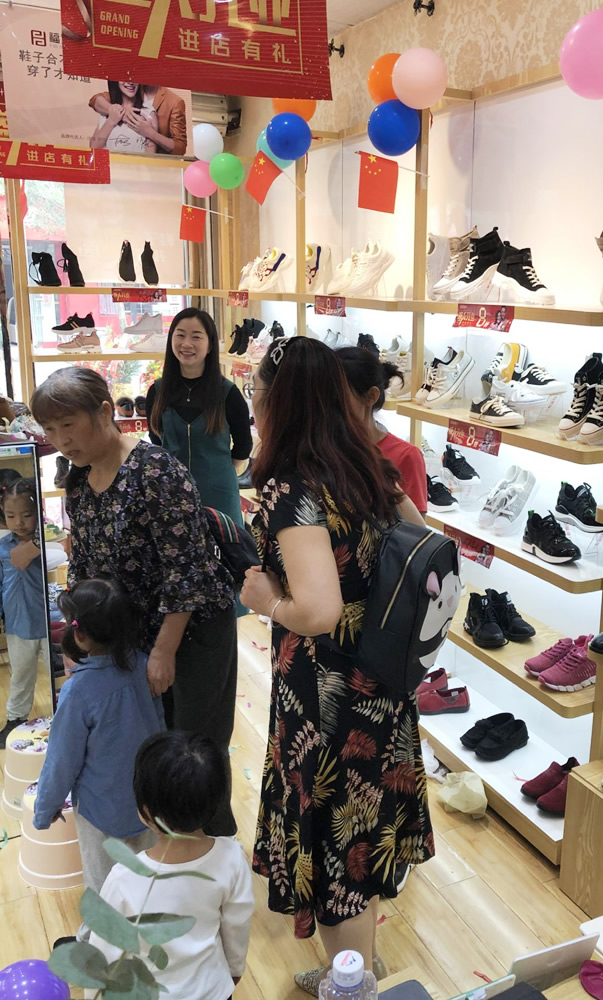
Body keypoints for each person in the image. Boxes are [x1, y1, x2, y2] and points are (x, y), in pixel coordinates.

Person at [241, 338, 432, 996]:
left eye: (259, 394)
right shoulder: (368, 469)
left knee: (335, 852)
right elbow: (425, 542)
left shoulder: (292, 488)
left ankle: (352, 983)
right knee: (361, 839)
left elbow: (317, 611)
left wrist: (266, 599)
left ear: (278, 402)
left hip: (326, 698)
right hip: (380, 683)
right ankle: (354, 969)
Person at [30, 367, 238, 837]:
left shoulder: (156, 471)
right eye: (50, 429)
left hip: (192, 630)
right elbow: (84, 566)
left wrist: (164, 651)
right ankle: (167, 842)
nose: (61, 440)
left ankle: (213, 844)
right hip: (133, 632)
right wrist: (78, 640)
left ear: (105, 413)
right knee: (150, 741)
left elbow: (186, 573)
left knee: (194, 746)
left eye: (68, 425)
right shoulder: (80, 479)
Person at [91, 731, 254, 1000]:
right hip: (214, 991)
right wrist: (233, 971)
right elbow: (238, 925)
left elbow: (104, 955)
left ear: (146, 811)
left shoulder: (124, 878)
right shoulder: (232, 857)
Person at [32, 577, 164, 891]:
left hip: (100, 814)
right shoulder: (144, 666)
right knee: (147, 885)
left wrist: (44, 809)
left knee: (105, 889)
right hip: (149, 804)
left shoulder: (78, 692)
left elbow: (61, 761)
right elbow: (159, 729)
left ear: (79, 634)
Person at [146, 308, 252, 525]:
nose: (186, 344)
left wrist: (217, 471)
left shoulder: (228, 393)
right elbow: (156, 440)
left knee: (224, 545)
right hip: (171, 494)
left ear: (210, 344)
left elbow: (243, 447)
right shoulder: (157, 392)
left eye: (196, 337)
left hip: (220, 496)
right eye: (180, 335)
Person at [336, 346, 427, 514]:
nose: (326, 404)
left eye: (338, 396)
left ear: (371, 396)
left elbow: (415, 528)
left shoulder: (406, 456)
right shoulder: (323, 446)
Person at [0, 479, 49, 747]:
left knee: (57, 672)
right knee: (20, 674)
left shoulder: (47, 542)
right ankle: (15, 719)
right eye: (11, 516)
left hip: (48, 623)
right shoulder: (2, 547)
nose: (19, 523)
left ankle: (65, 715)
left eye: (26, 515)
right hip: (18, 624)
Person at [88, 85, 187, 155]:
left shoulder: (172, 103)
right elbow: (94, 100)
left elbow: (180, 147)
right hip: (111, 170)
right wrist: (119, 114)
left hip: (145, 169)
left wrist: (150, 133)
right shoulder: (111, 103)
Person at [89, 81, 159, 154]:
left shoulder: (148, 113)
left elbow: (150, 155)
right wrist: (111, 121)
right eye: (124, 78)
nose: (130, 82)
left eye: (134, 78)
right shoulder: (109, 109)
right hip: (110, 161)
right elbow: (94, 147)